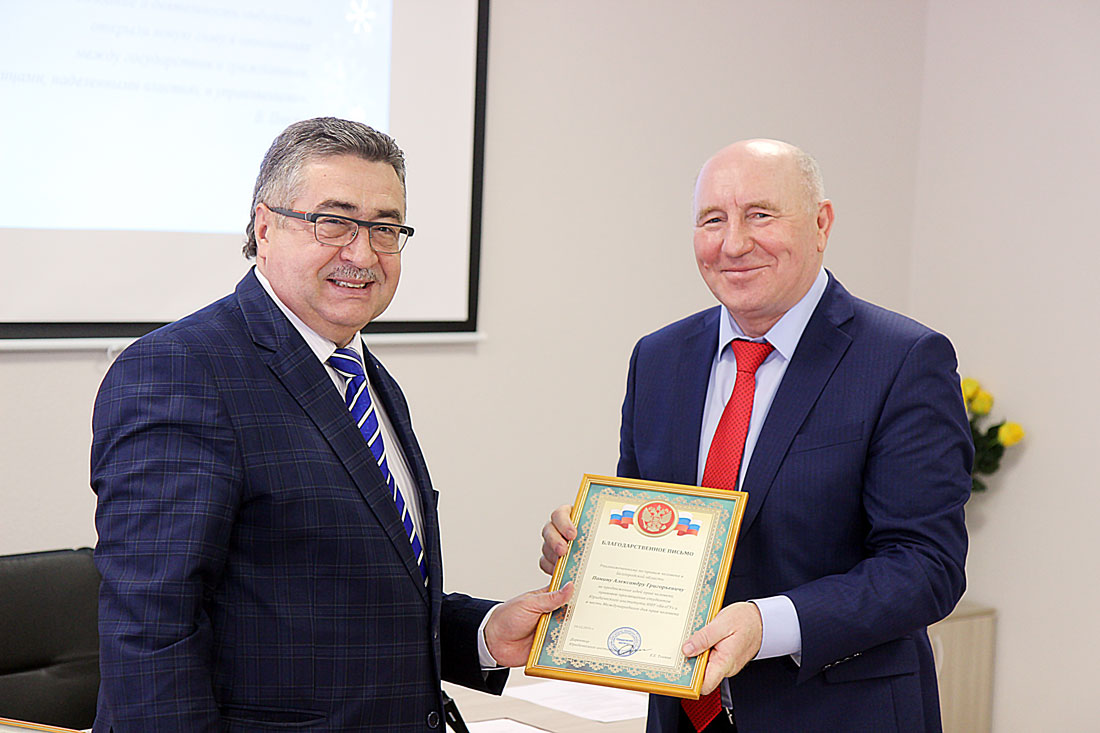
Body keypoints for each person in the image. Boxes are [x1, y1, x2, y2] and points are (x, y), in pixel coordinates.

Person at [91, 117, 571, 731]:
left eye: (385, 228)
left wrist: (482, 633)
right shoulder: (180, 369)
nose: (363, 254)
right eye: (333, 222)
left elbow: (348, 596)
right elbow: (151, 629)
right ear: (265, 227)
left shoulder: (361, 374)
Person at [539, 140, 971, 732]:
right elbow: (650, 521)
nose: (734, 243)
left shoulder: (903, 359)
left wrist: (767, 625)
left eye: (760, 215)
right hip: (681, 715)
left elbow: (925, 566)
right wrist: (589, 551)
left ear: (821, 224)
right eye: (712, 220)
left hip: (838, 715)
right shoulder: (659, 357)